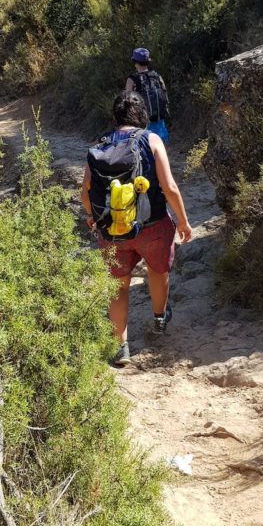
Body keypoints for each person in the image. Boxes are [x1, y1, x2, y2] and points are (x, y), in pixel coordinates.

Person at [82, 91, 192, 367]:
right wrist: (183, 221)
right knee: (158, 270)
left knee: (119, 285)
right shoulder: (151, 139)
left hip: (111, 230)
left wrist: (92, 216)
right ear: (141, 114)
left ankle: (121, 347)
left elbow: (86, 190)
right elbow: (169, 186)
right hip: (152, 224)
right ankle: (159, 318)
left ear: (116, 116)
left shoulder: (101, 143)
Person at [125, 47, 170, 141]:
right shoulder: (157, 75)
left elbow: (127, 101)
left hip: (141, 121)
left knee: (143, 146)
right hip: (158, 119)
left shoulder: (132, 79)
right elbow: (164, 94)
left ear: (135, 62)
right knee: (158, 145)